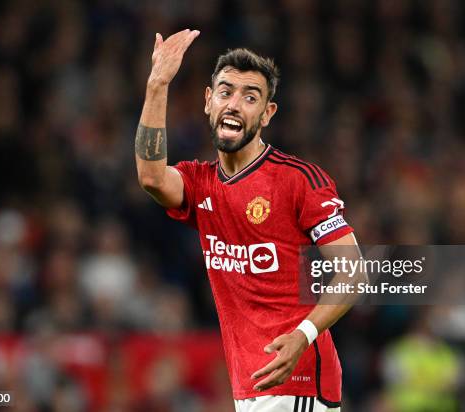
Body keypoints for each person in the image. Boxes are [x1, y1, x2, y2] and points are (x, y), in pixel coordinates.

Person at [135, 29, 365, 412]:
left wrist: (303, 336)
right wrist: (158, 84)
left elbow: (353, 273)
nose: (234, 105)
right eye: (225, 92)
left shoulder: (299, 180)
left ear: (267, 113)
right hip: (252, 387)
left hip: (299, 382)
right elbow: (151, 177)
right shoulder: (201, 182)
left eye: (250, 97)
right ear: (208, 102)